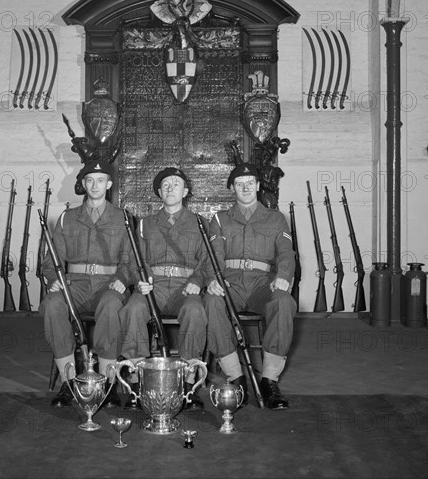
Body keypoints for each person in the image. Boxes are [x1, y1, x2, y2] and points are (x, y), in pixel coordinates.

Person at [40, 160, 133, 408]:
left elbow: (131, 260)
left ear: (109, 184)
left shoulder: (123, 218)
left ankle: (108, 383)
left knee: (111, 307)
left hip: (109, 283)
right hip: (76, 284)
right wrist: (54, 281)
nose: (95, 185)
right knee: (52, 305)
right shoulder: (68, 218)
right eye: (90, 180)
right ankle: (68, 382)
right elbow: (51, 262)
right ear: (83, 184)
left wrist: (123, 280)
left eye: (100, 180)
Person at [204, 162, 296, 410]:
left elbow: (286, 253)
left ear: (257, 185)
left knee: (284, 302)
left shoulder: (276, 218)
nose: (245, 188)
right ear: (232, 188)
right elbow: (214, 254)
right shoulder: (220, 219)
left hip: (261, 283)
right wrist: (213, 279)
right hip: (231, 281)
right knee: (212, 301)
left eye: (249, 183)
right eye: (239, 184)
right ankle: (236, 376)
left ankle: (269, 381)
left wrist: (284, 275)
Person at [120, 167, 210, 411]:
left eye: (176, 184)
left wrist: (198, 281)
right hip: (154, 286)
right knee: (134, 308)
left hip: (185, 286)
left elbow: (209, 260)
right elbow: (134, 258)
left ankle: (189, 382)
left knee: (195, 312)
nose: (170, 188)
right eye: (166, 185)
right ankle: (137, 382)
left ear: (186, 191)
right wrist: (141, 279)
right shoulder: (145, 225)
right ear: (159, 192)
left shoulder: (201, 223)